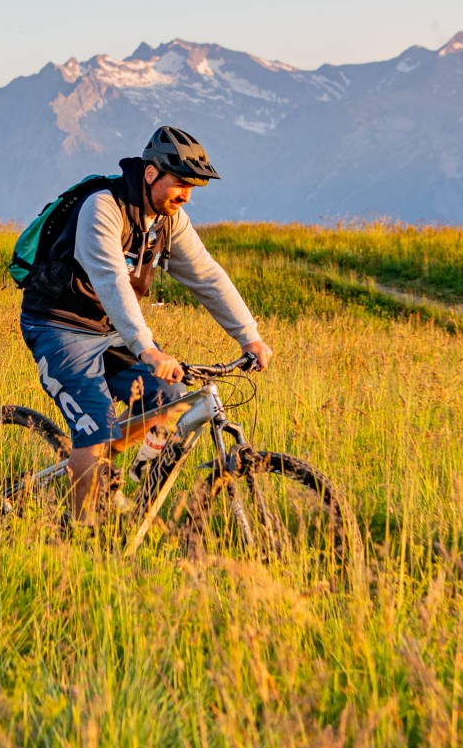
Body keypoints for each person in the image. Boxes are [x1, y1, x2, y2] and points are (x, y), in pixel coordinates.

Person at [17, 125, 274, 515]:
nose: (187, 196)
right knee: (95, 429)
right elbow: (111, 280)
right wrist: (147, 349)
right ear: (151, 174)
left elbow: (206, 276)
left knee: (169, 401)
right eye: (181, 184)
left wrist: (249, 336)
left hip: (108, 331)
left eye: (193, 188)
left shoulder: (169, 220)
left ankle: (109, 482)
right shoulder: (103, 207)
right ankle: (78, 536)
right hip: (59, 326)